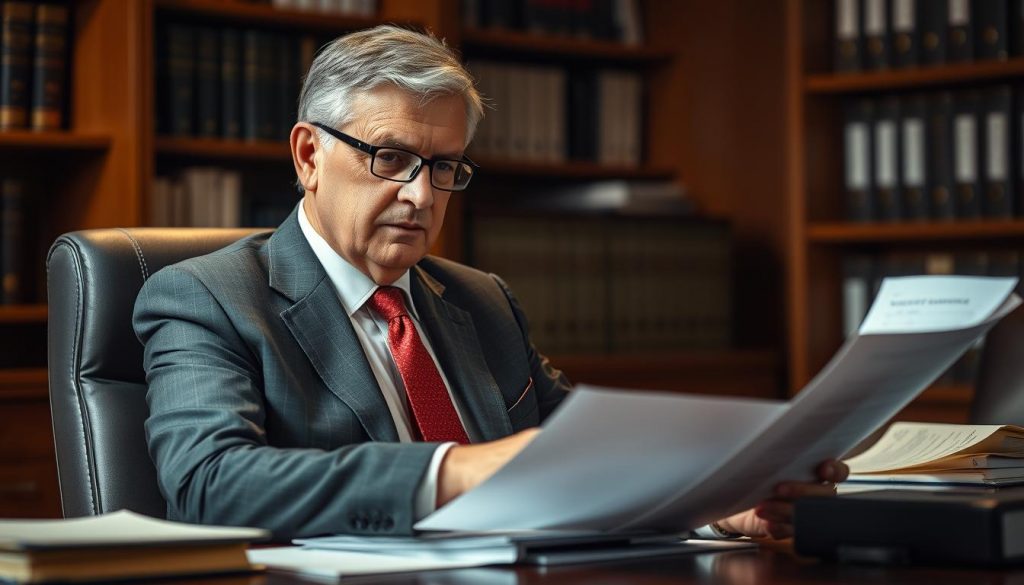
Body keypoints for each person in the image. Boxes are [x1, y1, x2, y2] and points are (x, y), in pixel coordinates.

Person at [134, 24, 846, 541]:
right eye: (391, 157)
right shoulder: (208, 297)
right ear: (309, 153)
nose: (421, 195)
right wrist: (454, 470)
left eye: (444, 167)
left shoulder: (480, 299)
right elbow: (209, 484)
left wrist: (715, 498)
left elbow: (585, 445)